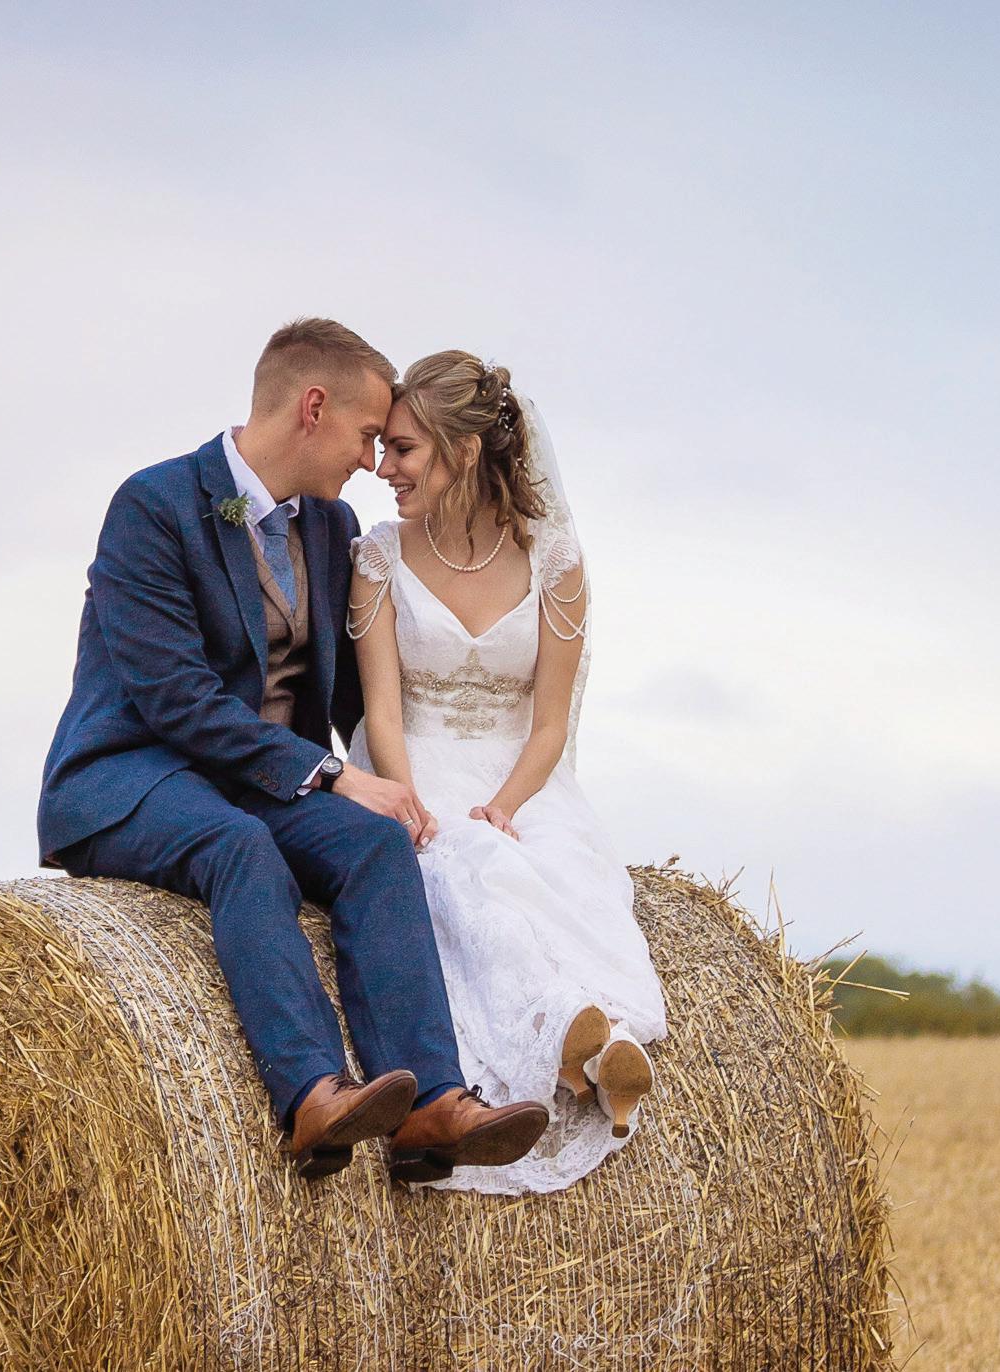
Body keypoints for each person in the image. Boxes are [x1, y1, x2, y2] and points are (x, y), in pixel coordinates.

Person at [37, 319, 549, 1184]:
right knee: (240, 847)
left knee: (375, 843)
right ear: (313, 408)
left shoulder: (329, 525)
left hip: (258, 784)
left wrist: (421, 791)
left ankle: (429, 1103)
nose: (371, 462)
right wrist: (332, 773)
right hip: (133, 775)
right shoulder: (154, 505)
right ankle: (312, 1095)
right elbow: (175, 698)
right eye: (365, 435)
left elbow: (352, 694)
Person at [343, 351, 669, 1194]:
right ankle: (567, 1036)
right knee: (458, 865)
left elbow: (551, 723)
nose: (384, 467)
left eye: (404, 450)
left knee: (549, 866)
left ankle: (599, 1042)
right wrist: (410, 800)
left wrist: (506, 804)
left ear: (462, 451)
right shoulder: (378, 558)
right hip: (412, 763)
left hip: (521, 776)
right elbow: (382, 714)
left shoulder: (556, 564)